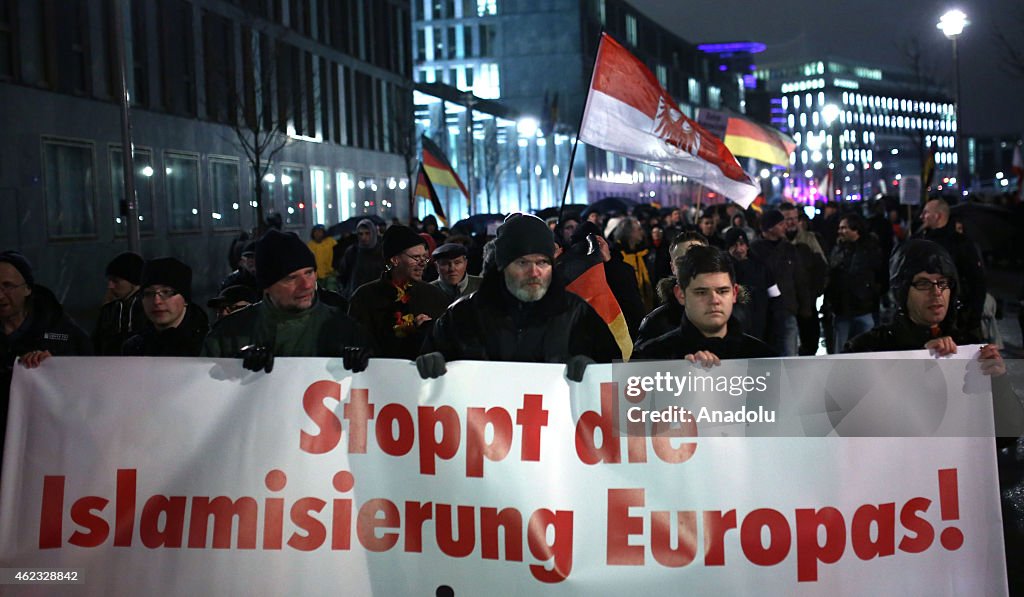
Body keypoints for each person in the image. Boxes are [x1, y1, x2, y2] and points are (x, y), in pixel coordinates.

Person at [418, 213, 619, 381]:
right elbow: (424, 381)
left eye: (542, 262)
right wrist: (432, 362)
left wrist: (595, 369)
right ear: (502, 266)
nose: (534, 272)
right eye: (523, 263)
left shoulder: (577, 314)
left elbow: (617, 377)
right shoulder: (462, 316)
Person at [203, 230, 371, 372]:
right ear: (266, 286)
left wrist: (366, 363)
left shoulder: (346, 330)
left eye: (309, 273)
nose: (306, 285)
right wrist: (232, 368)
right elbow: (201, 390)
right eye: (291, 278)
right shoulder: (228, 335)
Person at [1, 251, 92, 457]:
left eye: (8, 286)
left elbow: (88, 371)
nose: (0, 295)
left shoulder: (60, 330)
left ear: (27, 289)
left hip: (45, 446)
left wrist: (55, 366)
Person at [633, 246, 775, 363]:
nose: (714, 300)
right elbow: (627, 396)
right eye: (701, 292)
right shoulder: (650, 358)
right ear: (680, 294)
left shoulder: (764, 358)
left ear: (734, 293)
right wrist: (677, 377)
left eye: (722, 291)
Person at [348, 225, 450, 360]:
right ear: (394, 260)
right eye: (415, 257)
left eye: (424, 258)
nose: (422, 263)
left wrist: (426, 333)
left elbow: (448, 346)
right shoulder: (364, 298)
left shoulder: (434, 296)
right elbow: (356, 342)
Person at [917, 198, 986, 334]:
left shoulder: (961, 244)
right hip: (927, 314)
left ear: (938, 216)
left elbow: (977, 283)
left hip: (956, 317)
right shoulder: (923, 241)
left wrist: (973, 320)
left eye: (926, 212)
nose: (921, 216)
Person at [122, 257, 209, 356]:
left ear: (185, 299)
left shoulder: (207, 345)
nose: (156, 301)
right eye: (148, 293)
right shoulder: (134, 348)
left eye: (166, 292)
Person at [634, 231, 709, 346]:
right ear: (673, 268)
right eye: (681, 262)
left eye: (696, 258)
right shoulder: (655, 323)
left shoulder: (734, 313)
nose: (689, 266)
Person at [825, 213, 886, 352]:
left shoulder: (869, 249)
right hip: (842, 309)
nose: (840, 231)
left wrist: (871, 292)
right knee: (841, 350)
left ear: (855, 229)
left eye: (844, 228)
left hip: (863, 307)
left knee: (866, 349)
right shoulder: (838, 249)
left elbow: (879, 273)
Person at [749, 210, 804, 356]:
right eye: (780, 224)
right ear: (769, 228)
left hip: (787, 310)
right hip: (763, 314)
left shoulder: (789, 249)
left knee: (789, 357)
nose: (785, 226)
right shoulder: (754, 250)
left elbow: (799, 279)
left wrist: (804, 307)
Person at [725, 228, 774, 342]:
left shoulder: (761, 267)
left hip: (760, 321)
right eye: (734, 245)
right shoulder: (723, 269)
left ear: (747, 245)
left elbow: (774, 294)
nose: (739, 249)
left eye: (741, 244)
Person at [92, 251, 146, 355]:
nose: (110, 286)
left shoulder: (147, 309)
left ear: (133, 282)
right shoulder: (109, 310)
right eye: (109, 281)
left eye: (116, 281)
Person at [336, 219, 384, 300]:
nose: (363, 237)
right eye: (360, 234)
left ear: (373, 233)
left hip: (379, 298)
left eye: (367, 233)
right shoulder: (352, 252)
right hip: (356, 298)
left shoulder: (382, 251)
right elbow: (342, 275)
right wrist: (344, 292)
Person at [307, 224, 338, 292]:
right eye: (316, 232)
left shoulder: (331, 242)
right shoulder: (310, 246)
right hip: (316, 276)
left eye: (320, 231)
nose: (318, 234)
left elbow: (338, 253)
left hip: (330, 274)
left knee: (331, 292)